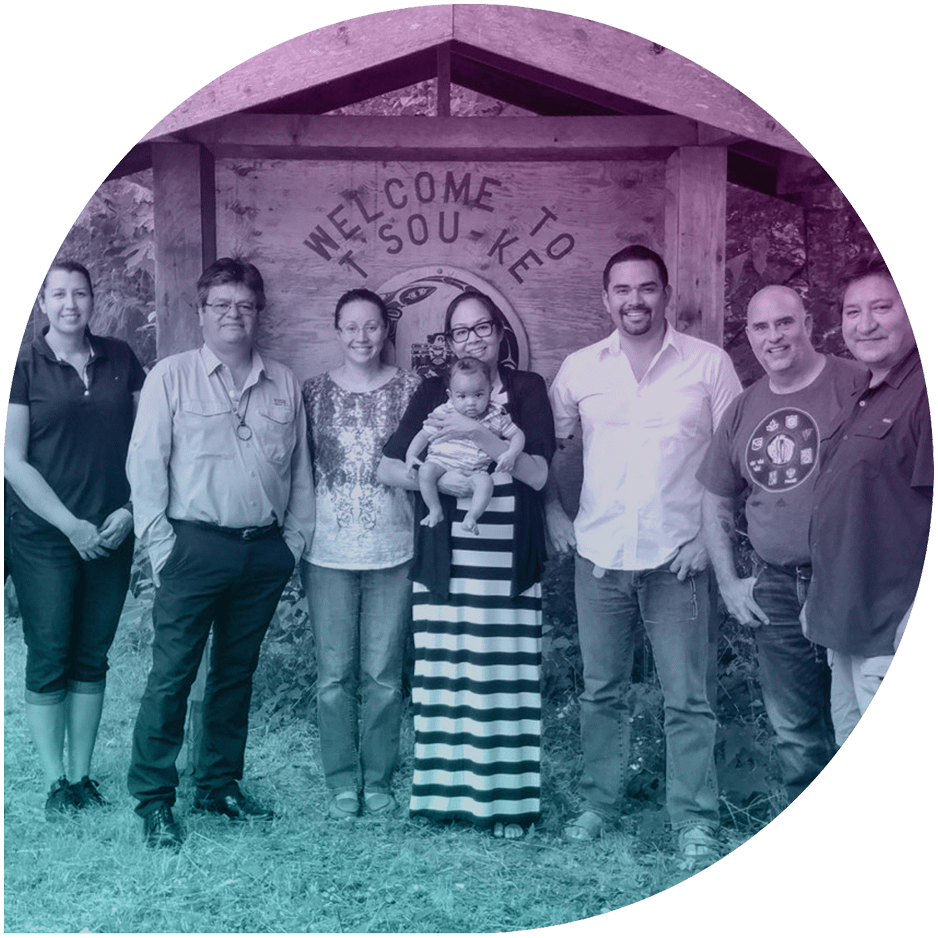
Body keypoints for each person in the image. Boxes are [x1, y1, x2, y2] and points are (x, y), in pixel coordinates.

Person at [546, 244, 741, 867]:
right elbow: (545, 446)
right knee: (601, 692)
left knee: (688, 697)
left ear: (666, 295)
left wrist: (708, 545)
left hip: (677, 561)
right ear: (606, 299)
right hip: (599, 558)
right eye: (623, 290)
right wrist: (554, 511)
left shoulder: (709, 366)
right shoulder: (580, 369)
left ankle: (694, 820)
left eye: (647, 288)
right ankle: (599, 803)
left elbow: (736, 461)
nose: (635, 300)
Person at [126, 257, 315, 849]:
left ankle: (218, 786)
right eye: (222, 305)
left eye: (245, 305)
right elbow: (145, 465)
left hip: (262, 552)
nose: (234, 314)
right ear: (201, 313)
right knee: (172, 675)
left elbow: (303, 473)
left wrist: (292, 544)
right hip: (193, 547)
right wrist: (162, 547)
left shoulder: (284, 381)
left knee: (235, 675)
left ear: (259, 313)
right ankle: (155, 800)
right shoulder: (170, 376)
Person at [378, 289, 554, 839]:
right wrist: (441, 480)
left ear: (500, 334)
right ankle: (443, 798)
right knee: (446, 676)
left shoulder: (526, 390)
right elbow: (389, 467)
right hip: (446, 559)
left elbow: (539, 475)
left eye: (482, 328)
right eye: (460, 331)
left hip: (507, 562)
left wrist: (479, 432)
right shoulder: (433, 391)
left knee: (504, 680)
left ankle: (509, 804)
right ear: (448, 343)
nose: (472, 338)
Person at [697, 285, 865, 803]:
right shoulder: (746, 407)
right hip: (775, 584)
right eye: (762, 327)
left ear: (808, 323)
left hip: (854, 576)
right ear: (747, 335)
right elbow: (715, 498)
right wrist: (728, 581)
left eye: (785, 322)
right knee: (794, 726)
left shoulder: (857, 381)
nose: (775, 336)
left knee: (862, 711)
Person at [4, 259, 145, 818]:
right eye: (58, 295)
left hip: (111, 532)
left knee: (92, 655)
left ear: (94, 299)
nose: (70, 304)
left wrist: (132, 509)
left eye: (80, 293)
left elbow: (149, 444)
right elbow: (12, 463)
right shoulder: (24, 368)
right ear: (42, 304)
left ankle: (83, 775)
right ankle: (55, 781)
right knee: (50, 653)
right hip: (44, 535)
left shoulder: (122, 360)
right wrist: (70, 525)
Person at [300, 288, 421, 820]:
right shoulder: (312, 393)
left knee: (382, 674)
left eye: (371, 326)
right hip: (326, 551)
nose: (362, 337)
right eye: (350, 327)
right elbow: (297, 471)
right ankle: (341, 782)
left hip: (393, 548)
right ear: (337, 330)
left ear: (385, 331)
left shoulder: (414, 389)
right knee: (333, 675)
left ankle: (378, 779)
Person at [803, 256, 932, 746]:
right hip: (847, 624)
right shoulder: (865, 393)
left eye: (881, 307)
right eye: (853, 312)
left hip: (892, 628)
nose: (866, 323)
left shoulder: (922, 393)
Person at [405, 357, 525, 534]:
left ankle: (472, 517)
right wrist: (411, 454)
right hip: (441, 463)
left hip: (474, 470)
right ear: (450, 395)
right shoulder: (444, 412)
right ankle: (435, 510)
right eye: (461, 396)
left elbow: (517, 434)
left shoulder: (496, 415)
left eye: (478, 395)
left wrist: (512, 453)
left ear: (490, 391)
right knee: (425, 471)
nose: (470, 402)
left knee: (485, 483)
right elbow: (424, 433)